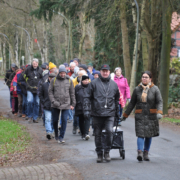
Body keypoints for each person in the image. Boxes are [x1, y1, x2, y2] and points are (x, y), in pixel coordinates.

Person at [122, 71, 163, 162]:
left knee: (149, 135)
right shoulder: (137, 89)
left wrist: (159, 112)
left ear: (150, 79)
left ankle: (146, 152)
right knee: (140, 134)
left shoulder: (155, 89)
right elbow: (132, 103)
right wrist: (125, 115)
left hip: (151, 115)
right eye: (143, 77)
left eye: (146, 77)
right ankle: (139, 152)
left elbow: (159, 101)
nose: (144, 78)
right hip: (140, 115)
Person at [83, 64, 120, 163]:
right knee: (98, 134)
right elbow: (87, 97)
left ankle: (107, 151)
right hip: (97, 113)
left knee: (109, 131)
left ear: (109, 72)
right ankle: (99, 153)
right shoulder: (93, 83)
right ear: (100, 72)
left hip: (110, 113)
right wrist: (86, 110)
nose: (105, 72)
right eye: (103, 71)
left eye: (106, 71)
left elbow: (117, 99)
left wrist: (118, 112)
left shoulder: (114, 84)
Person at [48, 66, 76, 143]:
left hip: (66, 104)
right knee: (55, 120)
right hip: (55, 104)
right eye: (61, 73)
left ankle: (61, 137)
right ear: (59, 73)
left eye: (64, 73)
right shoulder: (53, 80)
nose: (63, 74)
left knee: (64, 120)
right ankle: (56, 133)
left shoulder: (69, 80)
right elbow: (50, 92)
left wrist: (73, 103)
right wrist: (53, 101)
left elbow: (72, 93)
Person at [25, 58, 43, 123]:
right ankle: (29, 116)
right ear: (32, 64)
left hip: (37, 90)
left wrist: (40, 86)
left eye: (36, 63)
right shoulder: (28, 69)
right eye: (33, 63)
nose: (34, 65)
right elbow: (24, 77)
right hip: (30, 89)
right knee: (29, 101)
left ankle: (35, 118)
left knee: (37, 103)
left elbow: (42, 79)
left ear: (38, 64)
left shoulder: (40, 70)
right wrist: (27, 84)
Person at [39, 73, 56, 140]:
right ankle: (49, 132)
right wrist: (44, 101)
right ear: (48, 78)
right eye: (50, 78)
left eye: (53, 78)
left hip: (55, 105)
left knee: (54, 120)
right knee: (47, 119)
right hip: (47, 105)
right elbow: (40, 94)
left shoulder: (57, 86)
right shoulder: (44, 85)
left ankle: (52, 131)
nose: (51, 79)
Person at [75, 75, 91, 140]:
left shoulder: (90, 87)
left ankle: (86, 133)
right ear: (82, 80)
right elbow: (74, 95)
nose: (86, 81)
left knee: (87, 119)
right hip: (80, 105)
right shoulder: (77, 87)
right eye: (85, 80)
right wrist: (74, 104)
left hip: (88, 106)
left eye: (87, 80)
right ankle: (83, 133)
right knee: (81, 120)